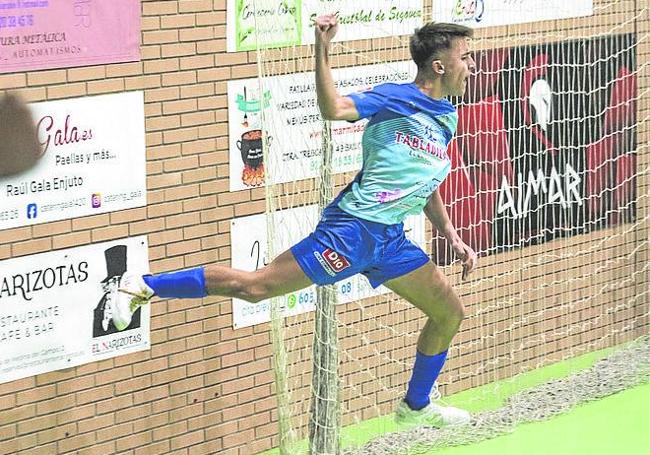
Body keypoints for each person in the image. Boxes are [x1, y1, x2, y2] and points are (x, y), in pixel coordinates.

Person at [116, 14, 478, 429]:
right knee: (255, 287)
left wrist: (448, 232)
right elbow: (334, 107)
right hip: (352, 231)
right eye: (465, 57)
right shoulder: (395, 98)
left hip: (391, 240)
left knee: (449, 313)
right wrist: (322, 49)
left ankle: (415, 407)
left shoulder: (446, 116)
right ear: (439, 65)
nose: (470, 66)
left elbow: (425, 177)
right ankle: (142, 285)